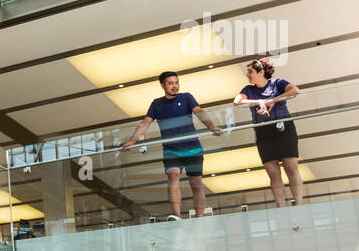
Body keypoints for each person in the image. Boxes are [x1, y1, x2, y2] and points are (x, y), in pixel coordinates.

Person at [121, 71, 223, 220]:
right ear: (162, 85)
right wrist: (132, 141)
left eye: (176, 82)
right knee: (173, 175)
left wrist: (212, 127)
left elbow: (199, 112)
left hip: (193, 148)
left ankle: (200, 216)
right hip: (171, 150)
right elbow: (145, 123)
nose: (175, 86)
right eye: (170, 83)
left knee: (196, 183)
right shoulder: (157, 104)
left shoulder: (186, 97)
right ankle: (176, 215)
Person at [233, 58, 303, 207]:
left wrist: (274, 100)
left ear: (261, 72)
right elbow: (237, 101)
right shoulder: (248, 90)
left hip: (284, 128)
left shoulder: (278, 83)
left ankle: (299, 203)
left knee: (291, 167)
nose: (247, 74)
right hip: (263, 131)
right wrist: (258, 102)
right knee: (273, 172)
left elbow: (295, 90)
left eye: (250, 71)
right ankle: (281, 206)